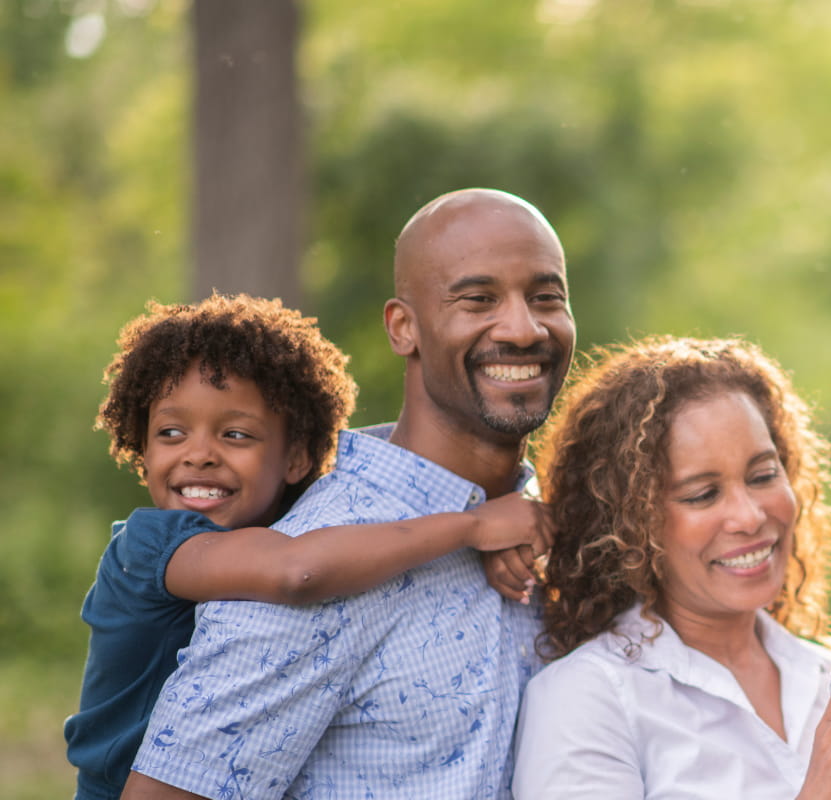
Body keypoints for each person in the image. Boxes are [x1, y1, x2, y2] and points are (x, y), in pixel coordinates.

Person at [124, 188, 575, 799]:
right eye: (478, 299)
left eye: (547, 297)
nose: (524, 328)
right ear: (403, 327)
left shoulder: (549, 530)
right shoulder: (317, 555)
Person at [66, 294, 543, 799]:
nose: (199, 455)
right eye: (170, 432)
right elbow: (298, 570)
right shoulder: (149, 546)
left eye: (235, 434)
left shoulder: (294, 522)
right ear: (140, 449)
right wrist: (471, 527)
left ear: (296, 458)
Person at [511, 335, 831, 800]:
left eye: (762, 476)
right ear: (632, 521)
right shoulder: (588, 699)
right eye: (702, 494)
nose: (750, 516)